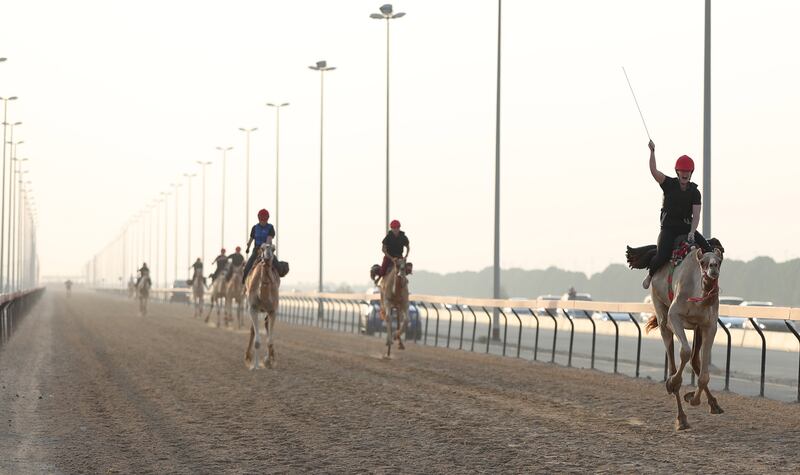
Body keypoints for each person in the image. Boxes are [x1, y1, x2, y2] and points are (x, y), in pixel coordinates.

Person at [643, 140, 713, 289]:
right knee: (662, 255)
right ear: (677, 172)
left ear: (691, 173)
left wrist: (692, 232)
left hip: (686, 227)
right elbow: (654, 171)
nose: (685, 174)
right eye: (682, 171)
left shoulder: (695, 192)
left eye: (687, 171)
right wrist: (652, 153)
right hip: (668, 228)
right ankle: (650, 275)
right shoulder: (669, 184)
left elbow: (697, 215)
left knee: (709, 249)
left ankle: (710, 283)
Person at [243, 209, 276, 283]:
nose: (263, 221)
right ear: (259, 219)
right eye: (262, 219)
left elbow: (269, 239)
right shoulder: (255, 228)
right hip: (257, 249)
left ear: (267, 219)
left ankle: (276, 281)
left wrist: (266, 247)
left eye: (265, 219)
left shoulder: (270, 227)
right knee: (248, 265)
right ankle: (244, 281)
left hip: (267, 249)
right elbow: (251, 239)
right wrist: (248, 248)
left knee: (276, 263)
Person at [375, 219, 409, 284]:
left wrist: (406, 256)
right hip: (389, 257)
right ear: (391, 228)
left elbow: (408, 247)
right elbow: (383, 249)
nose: (396, 229)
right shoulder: (388, 237)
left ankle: (404, 283)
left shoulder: (403, 237)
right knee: (382, 271)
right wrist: (391, 258)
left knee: (406, 269)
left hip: (399, 257)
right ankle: (379, 278)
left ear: (399, 228)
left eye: (397, 228)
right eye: (394, 228)